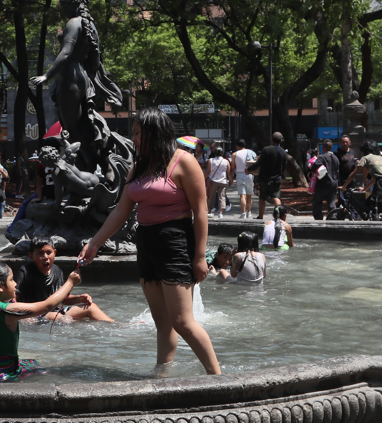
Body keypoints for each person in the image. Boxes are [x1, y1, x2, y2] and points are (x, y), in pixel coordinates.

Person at [79, 107, 221, 376]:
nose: (133, 139)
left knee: (183, 321)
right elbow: (121, 210)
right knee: (163, 322)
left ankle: (218, 377)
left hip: (175, 241)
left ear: (154, 132)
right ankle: (161, 374)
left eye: (137, 133)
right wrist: (95, 243)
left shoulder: (184, 162)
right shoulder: (140, 166)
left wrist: (200, 256)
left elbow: (201, 212)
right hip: (146, 244)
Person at [0, 260, 81, 381]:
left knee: (32, 362)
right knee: (44, 372)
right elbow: (47, 306)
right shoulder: (7, 310)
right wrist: (70, 282)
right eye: (11, 280)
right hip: (3, 372)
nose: (16, 284)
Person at [15, 238, 113, 322]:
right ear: (31, 256)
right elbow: (12, 300)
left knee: (91, 307)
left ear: (55, 253)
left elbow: (62, 298)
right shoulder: (25, 272)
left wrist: (79, 298)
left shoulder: (57, 270)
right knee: (63, 319)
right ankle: (83, 334)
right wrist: (23, 317)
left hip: (56, 311)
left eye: (49, 252)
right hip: (36, 313)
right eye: (40, 253)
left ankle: (116, 326)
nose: (45, 257)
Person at [251, 132, 287, 220]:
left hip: (265, 178)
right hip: (277, 178)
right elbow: (284, 167)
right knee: (276, 197)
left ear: (272, 140)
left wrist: (249, 169)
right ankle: (280, 215)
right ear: (281, 141)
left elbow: (259, 163)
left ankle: (261, 216)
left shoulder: (266, 149)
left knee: (262, 197)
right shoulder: (284, 152)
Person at [310, 140, 341, 220]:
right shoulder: (335, 158)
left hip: (322, 184)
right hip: (333, 184)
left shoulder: (322, 157)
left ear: (323, 147)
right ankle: (332, 218)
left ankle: (318, 218)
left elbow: (314, 167)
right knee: (332, 203)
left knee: (317, 202)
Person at [231, 140, 258, 219]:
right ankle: (249, 212)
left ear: (237, 146)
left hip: (240, 175)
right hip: (249, 174)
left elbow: (232, 167)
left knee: (242, 195)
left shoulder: (235, 154)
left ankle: (243, 213)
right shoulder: (251, 152)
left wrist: (231, 176)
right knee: (249, 195)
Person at [205, 147, 230, 218]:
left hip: (213, 181)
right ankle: (220, 213)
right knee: (222, 196)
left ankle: (209, 211)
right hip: (223, 181)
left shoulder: (211, 160)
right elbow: (228, 173)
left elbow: (208, 171)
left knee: (211, 196)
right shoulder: (226, 161)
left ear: (215, 153)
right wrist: (231, 180)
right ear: (222, 153)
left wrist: (204, 178)